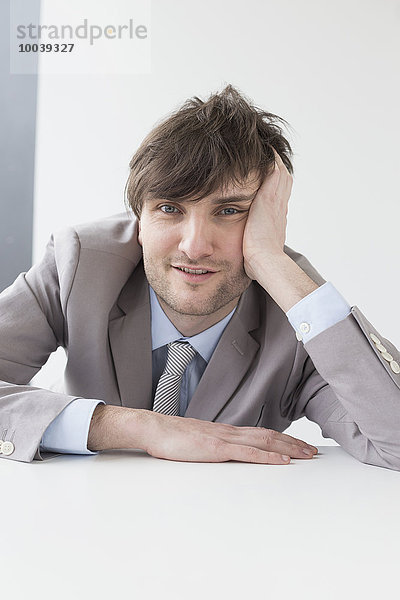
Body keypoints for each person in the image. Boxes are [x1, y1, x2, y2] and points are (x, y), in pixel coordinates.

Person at [0, 85, 399, 470]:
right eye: (170, 208)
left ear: (271, 221)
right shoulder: (81, 264)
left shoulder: (300, 316)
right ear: (140, 219)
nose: (195, 246)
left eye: (229, 211)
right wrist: (137, 427)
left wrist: (269, 260)